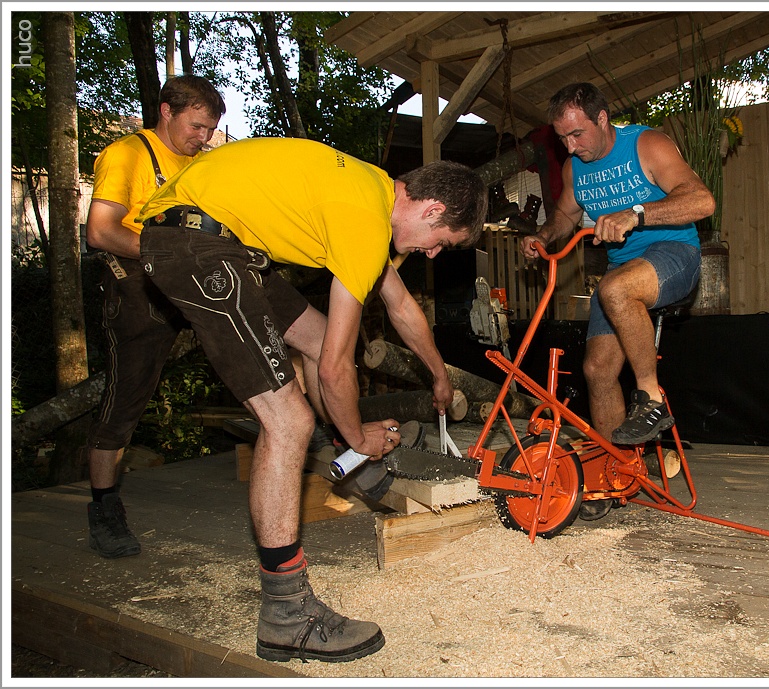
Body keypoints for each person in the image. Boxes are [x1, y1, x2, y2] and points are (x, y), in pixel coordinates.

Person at [137, 137, 487, 663]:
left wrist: (440, 376)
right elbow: (333, 370)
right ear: (432, 209)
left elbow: (400, 307)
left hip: (221, 242)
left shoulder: (369, 191)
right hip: (197, 246)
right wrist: (360, 435)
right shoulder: (363, 220)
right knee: (289, 420)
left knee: (321, 337)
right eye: (442, 241)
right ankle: (286, 611)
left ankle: (357, 468)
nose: (433, 253)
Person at [519, 82, 714, 448]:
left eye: (577, 134)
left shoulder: (646, 145)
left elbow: (702, 201)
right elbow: (566, 215)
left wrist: (635, 214)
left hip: (674, 254)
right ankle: (616, 464)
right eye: (563, 138)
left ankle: (651, 400)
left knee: (615, 288)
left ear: (603, 119)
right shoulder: (575, 168)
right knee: (597, 369)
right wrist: (543, 237)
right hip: (622, 270)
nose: (570, 147)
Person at [84, 75, 225, 559]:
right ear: (166, 110)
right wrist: (164, 255)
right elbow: (101, 232)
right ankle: (104, 508)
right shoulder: (127, 154)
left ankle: (312, 439)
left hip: (191, 278)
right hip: (137, 282)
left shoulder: (201, 163)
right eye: (196, 126)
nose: (203, 137)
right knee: (127, 398)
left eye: (209, 129)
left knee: (268, 333)